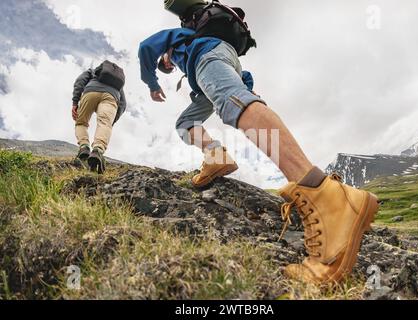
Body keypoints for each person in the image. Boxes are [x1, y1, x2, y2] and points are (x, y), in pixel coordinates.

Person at [138, 0, 380, 284]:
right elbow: (243, 76)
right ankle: (215, 156)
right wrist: (243, 90)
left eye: (165, 64)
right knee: (185, 123)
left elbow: (145, 47)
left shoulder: (182, 38)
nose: (167, 65)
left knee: (234, 103)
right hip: (223, 63)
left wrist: (153, 84)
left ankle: (326, 195)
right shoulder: (205, 43)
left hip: (209, 61)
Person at [72, 60, 127, 174]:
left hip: (90, 91)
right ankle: (98, 150)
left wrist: (75, 102)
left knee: (81, 123)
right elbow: (123, 103)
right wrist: (111, 121)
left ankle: (84, 146)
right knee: (105, 124)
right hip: (111, 96)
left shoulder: (92, 72)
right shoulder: (117, 85)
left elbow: (79, 81)